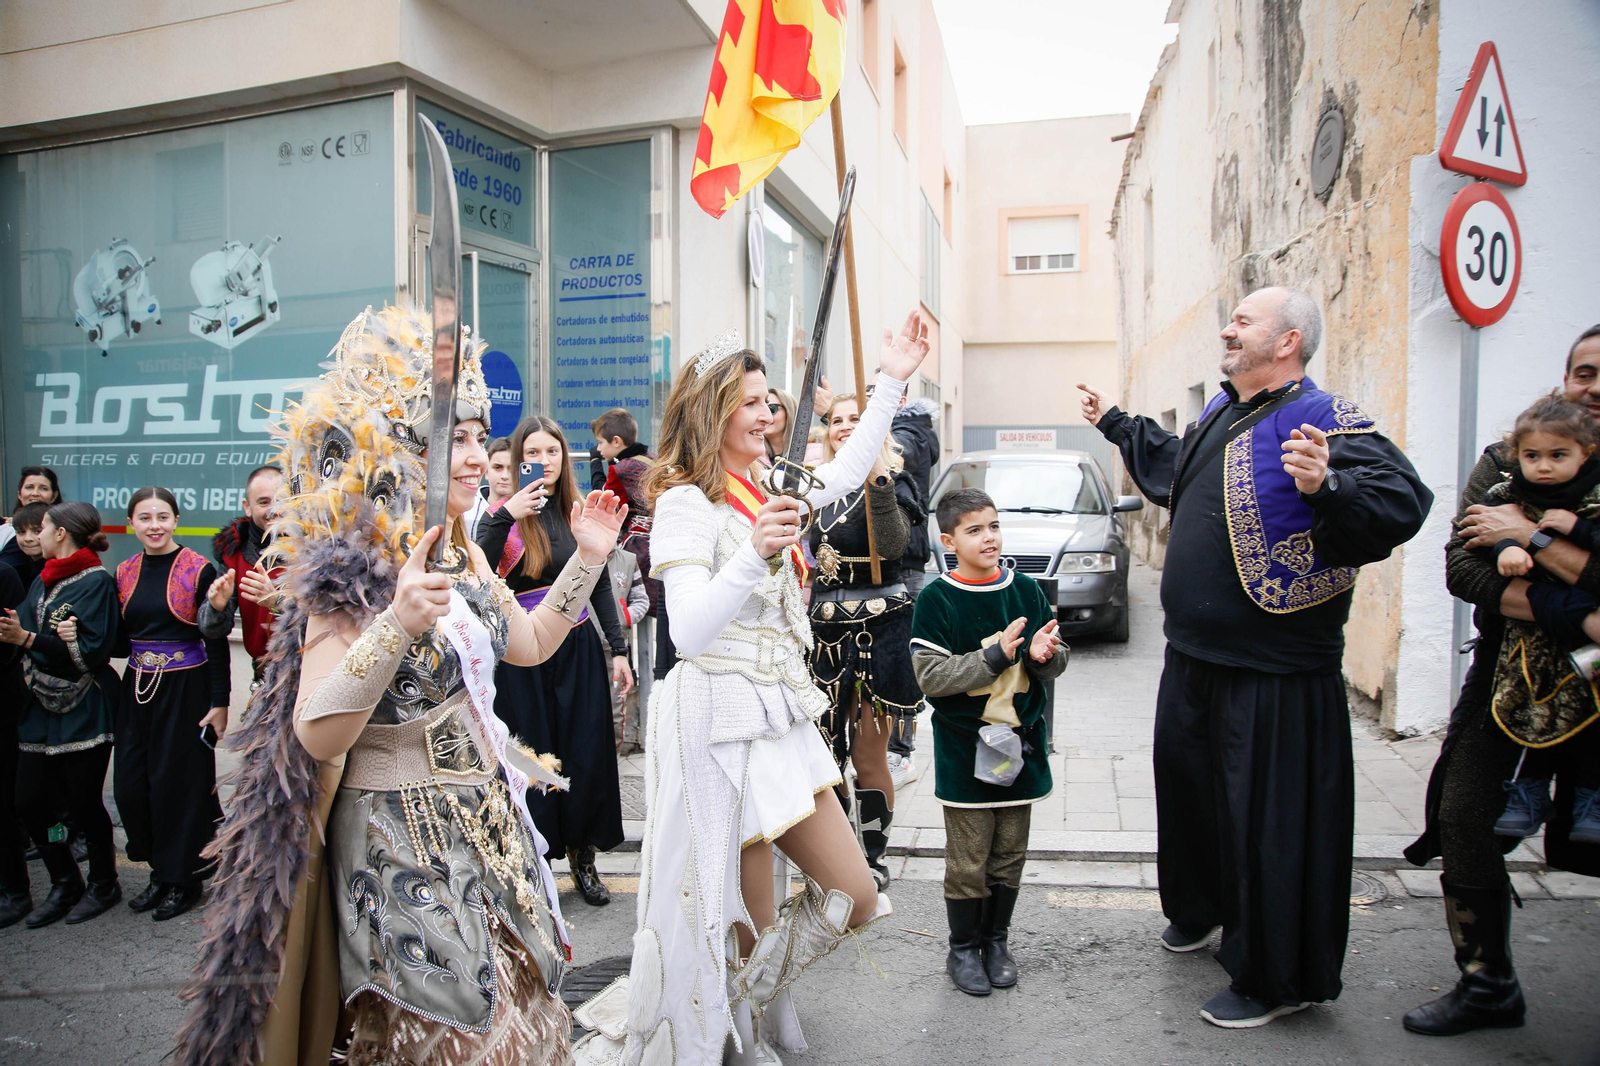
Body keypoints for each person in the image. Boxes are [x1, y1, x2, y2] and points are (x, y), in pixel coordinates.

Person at [173, 306, 626, 1066]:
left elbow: (533, 644)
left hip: (489, 828)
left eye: (482, 436)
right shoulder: (348, 576)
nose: (478, 457)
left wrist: (587, 559)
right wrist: (396, 622)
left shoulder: (468, 557)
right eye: (454, 437)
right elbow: (315, 731)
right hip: (400, 844)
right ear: (398, 451)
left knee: (527, 1026)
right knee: (449, 1039)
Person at [571, 314, 928, 1066]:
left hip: (779, 714)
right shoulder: (683, 503)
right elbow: (689, 634)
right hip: (714, 721)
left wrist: (892, 379)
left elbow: (844, 468)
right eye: (754, 404)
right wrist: (757, 552)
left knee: (855, 895)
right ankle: (731, 1032)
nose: (772, 416)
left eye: (772, 402)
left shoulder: (769, 480)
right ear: (713, 412)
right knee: (740, 919)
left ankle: (740, 1003)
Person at [1079, 285, 1432, 1028]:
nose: (1227, 329)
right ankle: (1204, 909)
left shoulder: (1324, 416)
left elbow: (1401, 499)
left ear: (1288, 342)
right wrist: (1115, 423)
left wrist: (1327, 484)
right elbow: (1177, 467)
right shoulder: (1222, 409)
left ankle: (1275, 977)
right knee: (1191, 798)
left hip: (1273, 669)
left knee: (1266, 826)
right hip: (1194, 656)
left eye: (1243, 321)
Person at [1403, 325, 1600, 1037]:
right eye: (1585, 371)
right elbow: (1464, 572)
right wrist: (1579, 608)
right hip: (1506, 675)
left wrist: (1530, 536)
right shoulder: (1510, 459)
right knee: (1463, 817)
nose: (1595, 386)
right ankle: (1486, 984)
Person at [911, 487, 1067, 996]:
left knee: (1009, 853)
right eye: (975, 530)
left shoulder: (1025, 589)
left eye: (994, 526)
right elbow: (932, 676)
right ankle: (962, 950)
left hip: (1020, 747)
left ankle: (996, 941)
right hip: (965, 747)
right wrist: (997, 655)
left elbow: (1055, 661)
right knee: (969, 858)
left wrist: (1046, 657)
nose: (989, 538)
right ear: (949, 540)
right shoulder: (937, 599)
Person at [476, 414, 633, 906]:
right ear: (517, 459)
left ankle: (583, 859)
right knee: (533, 756)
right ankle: (537, 864)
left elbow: (599, 580)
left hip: (578, 647)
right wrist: (504, 516)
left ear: (565, 457)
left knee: (584, 751)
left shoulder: (577, 510)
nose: (542, 461)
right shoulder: (502, 515)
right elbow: (476, 575)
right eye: (532, 453)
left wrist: (619, 649)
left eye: (551, 452)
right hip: (521, 654)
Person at [1469, 395, 1600, 842]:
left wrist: (1570, 532)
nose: (1543, 467)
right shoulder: (1507, 490)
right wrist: (1508, 547)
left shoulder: (1594, 495)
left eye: (1557, 456)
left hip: (1585, 652)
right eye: (1532, 457)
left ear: (1587, 453)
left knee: (1591, 724)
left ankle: (1589, 801)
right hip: (1532, 641)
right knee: (1528, 712)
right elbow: (1471, 554)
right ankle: (1527, 791)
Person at [806, 393, 924, 889]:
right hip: (825, 629)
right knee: (825, 751)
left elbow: (895, 544)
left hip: (881, 628)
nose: (846, 427)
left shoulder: (894, 480)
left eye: (857, 419)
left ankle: (872, 855)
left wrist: (877, 474)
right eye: (837, 420)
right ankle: (838, 857)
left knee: (867, 756)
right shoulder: (819, 485)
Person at [0, 502, 122, 927]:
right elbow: (29, 638)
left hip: (84, 705)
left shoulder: (97, 583)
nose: (35, 535)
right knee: (30, 803)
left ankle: (103, 883)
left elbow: (90, 655)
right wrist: (21, 636)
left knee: (83, 803)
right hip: (39, 706)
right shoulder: (41, 578)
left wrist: (28, 637)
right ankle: (64, 879)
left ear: (63, 533)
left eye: (44, 527)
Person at [114, 486, 232, 921]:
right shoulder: (124, 571)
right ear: (132, 524)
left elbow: (215, 640)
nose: (154, 526)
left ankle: (182, 880)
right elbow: (119, 640)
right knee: (131, 785)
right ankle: (160, 870)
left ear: (176, 520)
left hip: (187, 689)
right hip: (139, 687)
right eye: (144, 518)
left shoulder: (198, 569)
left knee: (178, 787)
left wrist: (220, 701)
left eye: (162, 517)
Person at [204, 466, 283, 684]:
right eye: (264, 502)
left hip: (313, 674)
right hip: (264, 675)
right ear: (247, 508)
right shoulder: (234, 552)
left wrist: (278, 601)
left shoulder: (318, 547)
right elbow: (213, 630)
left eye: (281, 500)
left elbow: (332, 619)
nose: (274, 509)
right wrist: (216, 608)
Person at [0, 467, 62, 554]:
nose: (35, 493)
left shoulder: (64, 526)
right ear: (19, 494)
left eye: (44, 488)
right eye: (29, 487)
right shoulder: (7, 528)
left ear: (54, 496)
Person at [0, 502, 49, 590]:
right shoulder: (24, 568)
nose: (28, 538)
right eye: (21, 532)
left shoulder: (55, 572)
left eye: (37, 531)